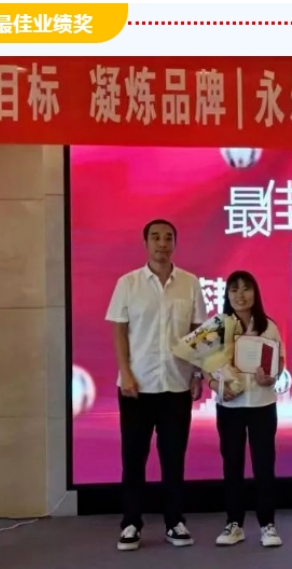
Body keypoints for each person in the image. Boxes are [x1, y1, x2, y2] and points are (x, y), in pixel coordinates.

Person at [105, 219, 207, 551]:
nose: (162, 243)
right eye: (155, 237)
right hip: (136, 386)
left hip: (176, 385)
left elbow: (199, 333)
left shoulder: (190, 283)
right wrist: (126, 372)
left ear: (175, 243)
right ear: (145, 243)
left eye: (168, 238)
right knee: (134, 459)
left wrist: (197, 374)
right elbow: (119, 331)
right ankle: (131, 523)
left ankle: (175, 522)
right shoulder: (128, 283)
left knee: (173, 459)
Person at [204, 271, 285, 548]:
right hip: (230, 406)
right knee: (232, 464)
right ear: (227, 295)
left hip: (262, 404)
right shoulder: (216, 326)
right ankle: (234, 524)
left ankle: (268, 525)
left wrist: (271, 377)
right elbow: (201, 362)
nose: (240, 295)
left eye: (246, 289)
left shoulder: (268, 326)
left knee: (264, 466)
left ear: (255, 293)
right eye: (234, 290)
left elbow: (279, 360)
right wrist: (215, 385)